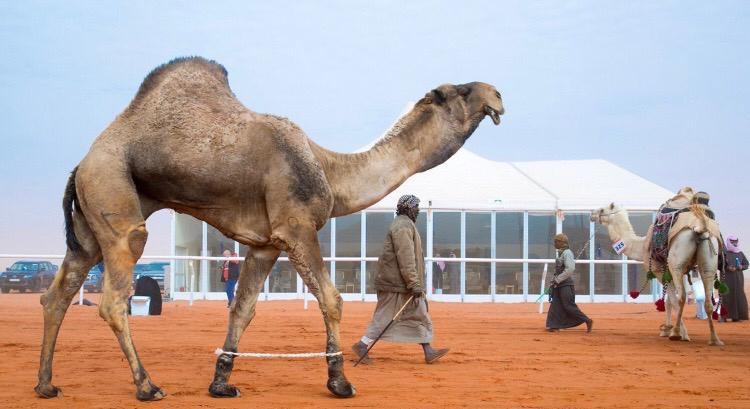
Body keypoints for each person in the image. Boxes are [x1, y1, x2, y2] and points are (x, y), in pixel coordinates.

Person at [352, 195, 450, 364]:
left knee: (420, 314)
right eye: (416, 207)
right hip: (396, 284)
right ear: (408, 208)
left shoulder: (406, 224)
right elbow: (406, 257)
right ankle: (362, 344)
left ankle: (428, 351)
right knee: (384, 318)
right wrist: (414, 283)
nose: (418, 210)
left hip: (404, 284)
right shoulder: (403, 226)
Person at [545, 233, 593, 332]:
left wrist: (557, 279)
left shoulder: (567, 253)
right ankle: (554, 325)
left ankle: (587, 320)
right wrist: (554, 280)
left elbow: (570, 269)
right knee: (556, 305)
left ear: (561, 242)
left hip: (565, 285)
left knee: (568, 306)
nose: (554, 243)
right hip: (559, 285)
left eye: (556, 241)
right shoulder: (562, 253)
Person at [721, 235, 748, 322]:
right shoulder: (724, 253)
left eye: (735, 241)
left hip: (738, 278)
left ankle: (737, 317)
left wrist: (741, 267)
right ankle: (724, 317)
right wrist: (727, 267)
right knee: (726, 296)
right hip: (727, 278)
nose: (734, 243)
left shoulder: (740, 253)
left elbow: (746, 264)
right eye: (732, 241)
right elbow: (718, 264)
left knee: (738, 296)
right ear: (729, 241)